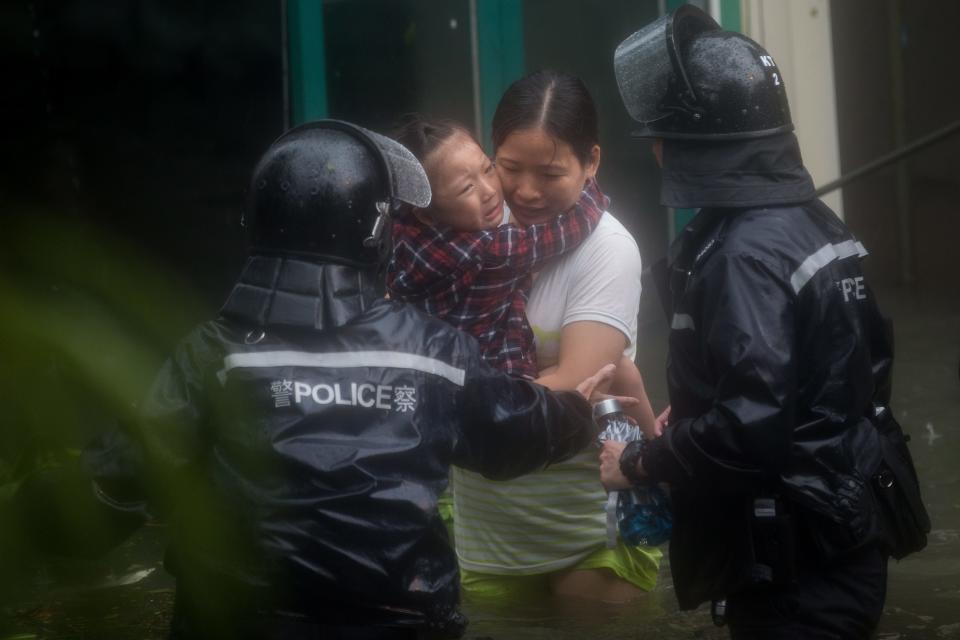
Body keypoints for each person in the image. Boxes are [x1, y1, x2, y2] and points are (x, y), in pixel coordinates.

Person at [8, 120, 623, 640]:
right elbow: (516, 435)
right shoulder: (434, 353)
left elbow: (108, 494)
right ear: (378, 231)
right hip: (403, 619)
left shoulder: (212, 356)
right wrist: (577, 410)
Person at [601, 6, 922, 637]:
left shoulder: (743, 254)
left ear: (694, 145)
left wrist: (643, 461)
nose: (659, 152)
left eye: (661, 138)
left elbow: (752, 429)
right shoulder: (819, 225)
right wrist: (699, 412)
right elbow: (843, 381)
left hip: (797, 561)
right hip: (848, 527)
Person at [451, 70, 662, 603]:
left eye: (550, 173)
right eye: (510, 168)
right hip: (484, 528)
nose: (525, 191)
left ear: (591, 162)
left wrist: (447, 398)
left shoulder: (607, 250)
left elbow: (575, 383)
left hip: (587, 529)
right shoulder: (468, 238)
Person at [387, 115, 605, 379]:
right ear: (426, 213)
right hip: (486, 382)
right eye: (467, 188)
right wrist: (586, 181)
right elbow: (566, 231)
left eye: (488, 169)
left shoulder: (402, 230)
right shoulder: (483, 251)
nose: (489, 190)